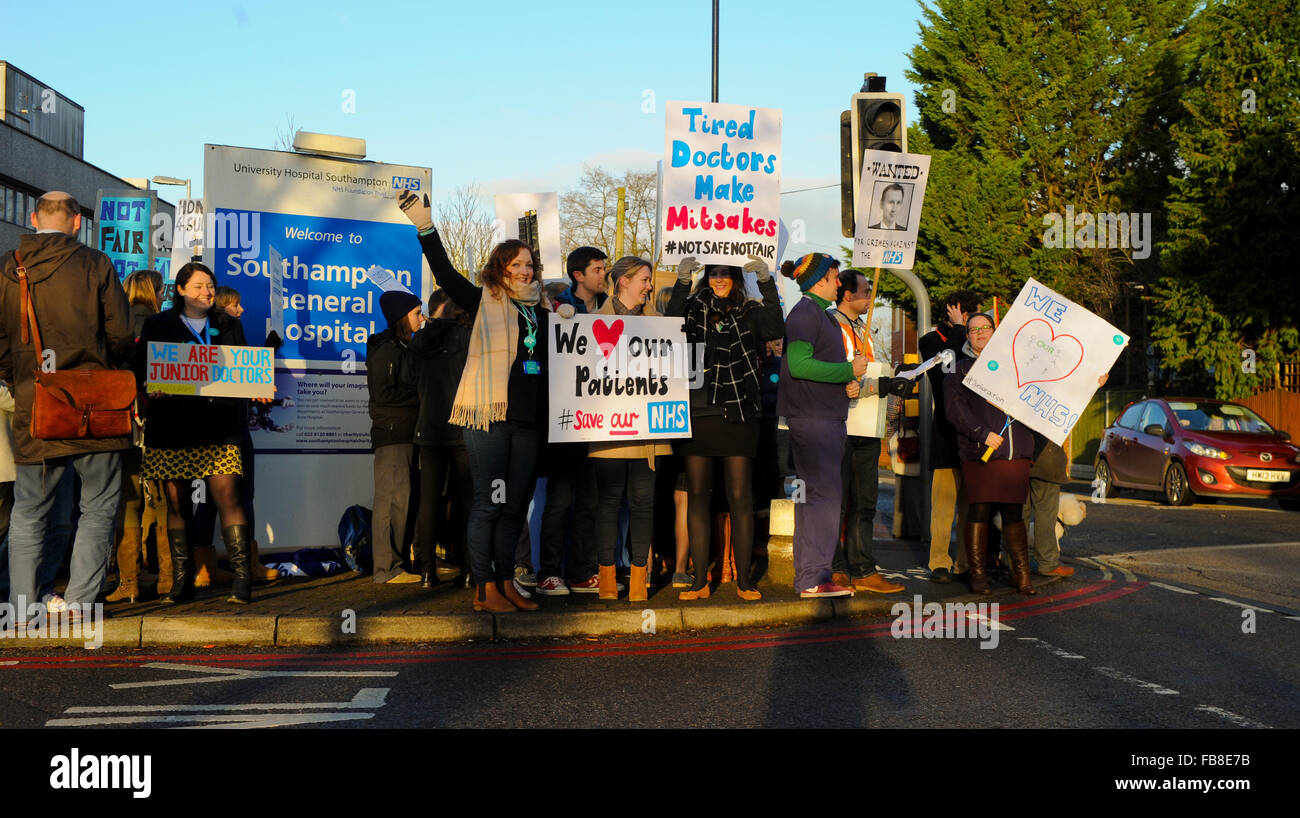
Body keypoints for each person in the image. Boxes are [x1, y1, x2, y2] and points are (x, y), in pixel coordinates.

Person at [399, 190, 541, 613]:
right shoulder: (483, 301)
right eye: (515, 264)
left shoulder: (544, 309)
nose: (524, 270)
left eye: (530, 264)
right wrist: (425, 226)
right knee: (490, 504)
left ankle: (505, 582)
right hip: (490, 420)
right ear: (500, 269)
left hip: (529, 422)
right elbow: (444, 273)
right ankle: (485, 588)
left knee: (515, 508)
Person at [0, 191, 134, 617]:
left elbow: (1, 342)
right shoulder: (95, 263)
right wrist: (107, 369)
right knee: (97, 507)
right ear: (77, 222)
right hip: (94, 405)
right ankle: (79, 604)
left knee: (29, 510)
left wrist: (21, 379)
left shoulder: (10, 265)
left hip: (35, 402)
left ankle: (22, 607)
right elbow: (121, 334)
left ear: (35, 217)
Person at [133, 262, 258, 604]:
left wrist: (257, 385)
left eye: (211, 286)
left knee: (228, 496)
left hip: (220, 425)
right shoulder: (158, 324)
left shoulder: (229, 324)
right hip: (173, 425)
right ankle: (182, 582)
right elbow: (140, 367)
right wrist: (148, 387)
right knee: (177, 503)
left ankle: (243, 580)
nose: (207, 292)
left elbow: (244, 367)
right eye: (200, 286)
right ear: (182, 291)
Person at [667, 254, 783, 601]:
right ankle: (700, 580)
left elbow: (776, 328)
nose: (718, 279)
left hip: (740, 412)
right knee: (699, 498)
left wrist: (766, 282)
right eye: (712, 274)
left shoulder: (750, 311)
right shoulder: (693, 307)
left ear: (735, 277)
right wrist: (683, 281)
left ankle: (744, 581)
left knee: (740, 498)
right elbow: (670, 326)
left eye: (724, 274)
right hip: (699, 409)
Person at [780, 254, 869, 598]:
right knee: (823, 498)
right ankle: (815, 578)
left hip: (821, 417)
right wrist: (849, 371)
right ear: (819, 281)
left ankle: (810, 576)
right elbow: (800, 365)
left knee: (814, 498)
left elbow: (813, 368)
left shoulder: (816, 314)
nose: (839, 284)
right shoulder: (806, 314)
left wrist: (843, 382)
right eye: (834, 278)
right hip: (816, 421)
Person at [584, 256, 671, 601]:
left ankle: (637, 580)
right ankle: (607, 577)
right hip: (608, 428)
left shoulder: (662, 325)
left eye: (649, 280)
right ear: (624, 281)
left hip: (649, 429)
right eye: (645, 280)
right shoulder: (591, 323)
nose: (649, 286)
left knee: (643, 502)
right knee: (608, 502)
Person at [534, 248, 611, 597]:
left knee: (589, 501)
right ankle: (549, 572)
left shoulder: (610, 307)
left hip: (601, 420)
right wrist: (554, 322)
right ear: (578, 275)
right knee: (560, 500)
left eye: (605, 268)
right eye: (597, 269)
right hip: (565, 420)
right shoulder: (554, 307)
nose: (603, 275)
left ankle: (582, 571)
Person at [943, 312, 1036, 595]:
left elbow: (1055, 391)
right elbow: (955, 410)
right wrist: (982, 433)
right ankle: (978, 573)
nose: (980, 333)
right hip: (980, 452)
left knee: (1013, 513)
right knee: (979, 510)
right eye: (973, 330)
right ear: (967, 336)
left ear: (996, 332)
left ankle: (1021, 574)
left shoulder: (1018, 365)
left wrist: (1095, 381)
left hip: (1014, 453)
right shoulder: (958, 369)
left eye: (985, 328)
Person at [828, 269, 903, 594]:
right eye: (865, 291)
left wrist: (885, 387)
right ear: (847, 294)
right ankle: (834, 566)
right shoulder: (830, 326)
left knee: (865, 501)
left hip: (867, 427)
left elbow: (868, 371)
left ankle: (862, 568)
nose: (870, 297)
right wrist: (868, 384)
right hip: (839, 426)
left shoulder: (864, 329)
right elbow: (834, 374)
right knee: (838, 501)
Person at [106, 269, 170, 602]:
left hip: (122, 421)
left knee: (126, 498)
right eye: (162, 290)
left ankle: (128, 581)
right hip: (153, 421)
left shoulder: (116, 324)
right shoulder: (158, 325)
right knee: (160, 499)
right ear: (152, 290)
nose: (164, 296)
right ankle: (166, 578)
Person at [410, 289, 474, 588]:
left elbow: (412, 381)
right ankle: (469, 568)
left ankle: (426, 569)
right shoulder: (467, 337)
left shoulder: (419, 340)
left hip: (429, 428)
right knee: (467, 501)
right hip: (462, 427)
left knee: (429, 500)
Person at [918, 289, 980, 583]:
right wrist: (958, 331)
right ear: (960, 313)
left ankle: (968, 562)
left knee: (971, 504)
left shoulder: (979, 344)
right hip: (946, 433)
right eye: (973, 318)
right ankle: (939, 562)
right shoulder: (930, 341)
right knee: (943, 505)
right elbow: (949, 371)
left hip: (976, 435)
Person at [367, 289, 425, 584]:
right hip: (393, 433)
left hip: (407, 431)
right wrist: (421, 396)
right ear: (402, 316)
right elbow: (385, 392)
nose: (422, 318)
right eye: (417, 313)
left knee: (403, 499)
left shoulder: (404, 347)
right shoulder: (387, 348)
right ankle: (386, 569)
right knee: (391, 499)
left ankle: (397, 563)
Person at [551, 246, 608, 314]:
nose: (604, 274)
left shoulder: (611, 306)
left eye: (604, 269)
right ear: (578, 276)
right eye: (597, 270)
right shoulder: (555, 310)